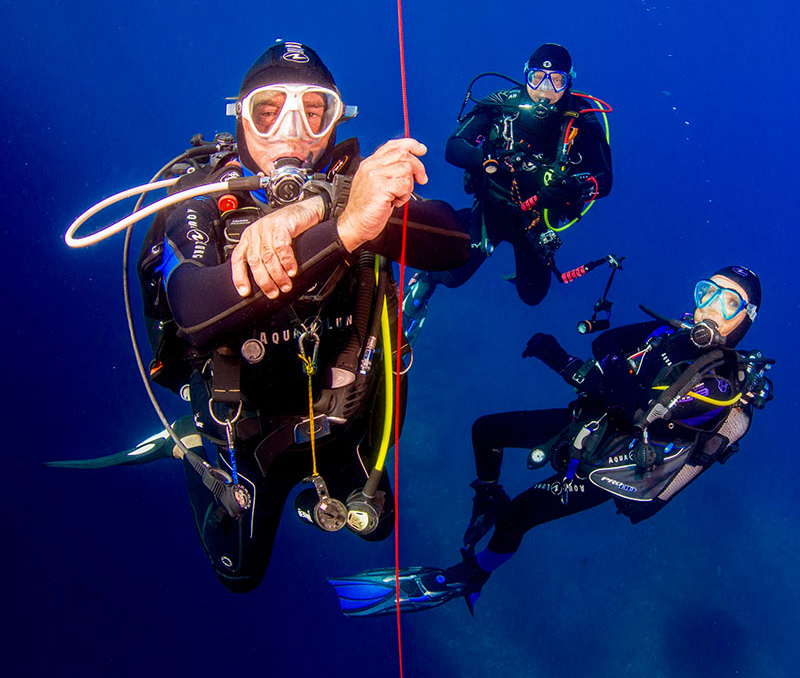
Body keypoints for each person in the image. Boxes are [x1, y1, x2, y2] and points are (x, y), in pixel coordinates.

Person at [49, 41, 470, 593]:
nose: (292, 130)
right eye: (267, 111)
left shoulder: (362, 188)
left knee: (377, 528)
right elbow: (196, 313)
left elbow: (453, 243)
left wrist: (330, 206)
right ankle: (188, 444)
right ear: (241, 118)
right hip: (245, 436)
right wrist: (344, 231)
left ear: (335, 119)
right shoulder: (196, 198)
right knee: (241, 574)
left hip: (343, 422)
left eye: (313, 111)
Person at [329, 266, 774, 616]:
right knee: (486, 430)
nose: (710, 307)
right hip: (583, 424)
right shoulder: (668, 333)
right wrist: (607, 378)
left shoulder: (724, 383)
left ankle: (474, 574)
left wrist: (567, 363)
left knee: (518, 517)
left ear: (745, 320)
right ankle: (485, 498)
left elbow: (642, 412)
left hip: (611, 468)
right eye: (706, 292)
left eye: (728, 301)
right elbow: (607, 343)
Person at [402, 43, 613, 343]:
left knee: (532, 294)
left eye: (556, 81)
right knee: (451, 276)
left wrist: (575, 187)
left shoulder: (582, 119)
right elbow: (453, 146)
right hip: (492, 209)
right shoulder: (502, 105)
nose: (545, 90)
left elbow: (605, 179)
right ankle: (430, 271)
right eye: (537, 77)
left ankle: (456, 231)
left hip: (537, 223)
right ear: (526, 75)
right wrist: (487, 160)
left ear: (569, 82)